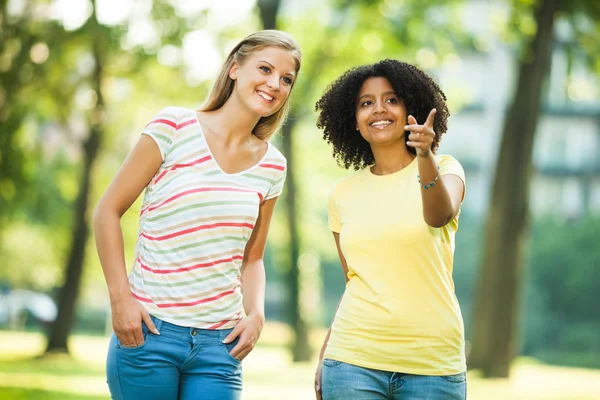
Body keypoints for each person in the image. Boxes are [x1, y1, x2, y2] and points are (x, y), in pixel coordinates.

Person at [92, 30, 301, 400]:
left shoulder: (273, 165)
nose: (275, 84)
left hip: (219, 347)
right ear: (235, 68)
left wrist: (256, 315)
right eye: (265, 69)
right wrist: (120, 299)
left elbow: (252, 258)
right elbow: (107, 211)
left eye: (286, 79)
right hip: (149, 333)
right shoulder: (174, 127)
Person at [313, 59, 467, 400]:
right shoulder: (343, 194)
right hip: (352, 361)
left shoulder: (445, 168)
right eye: (366, 103)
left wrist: (424, 155)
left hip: (433, 365)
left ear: (410, 108)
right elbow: (353, 281)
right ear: (353, 121)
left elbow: (440, 215)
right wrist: (326, 352)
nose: (378, 109)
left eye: (391, 99)